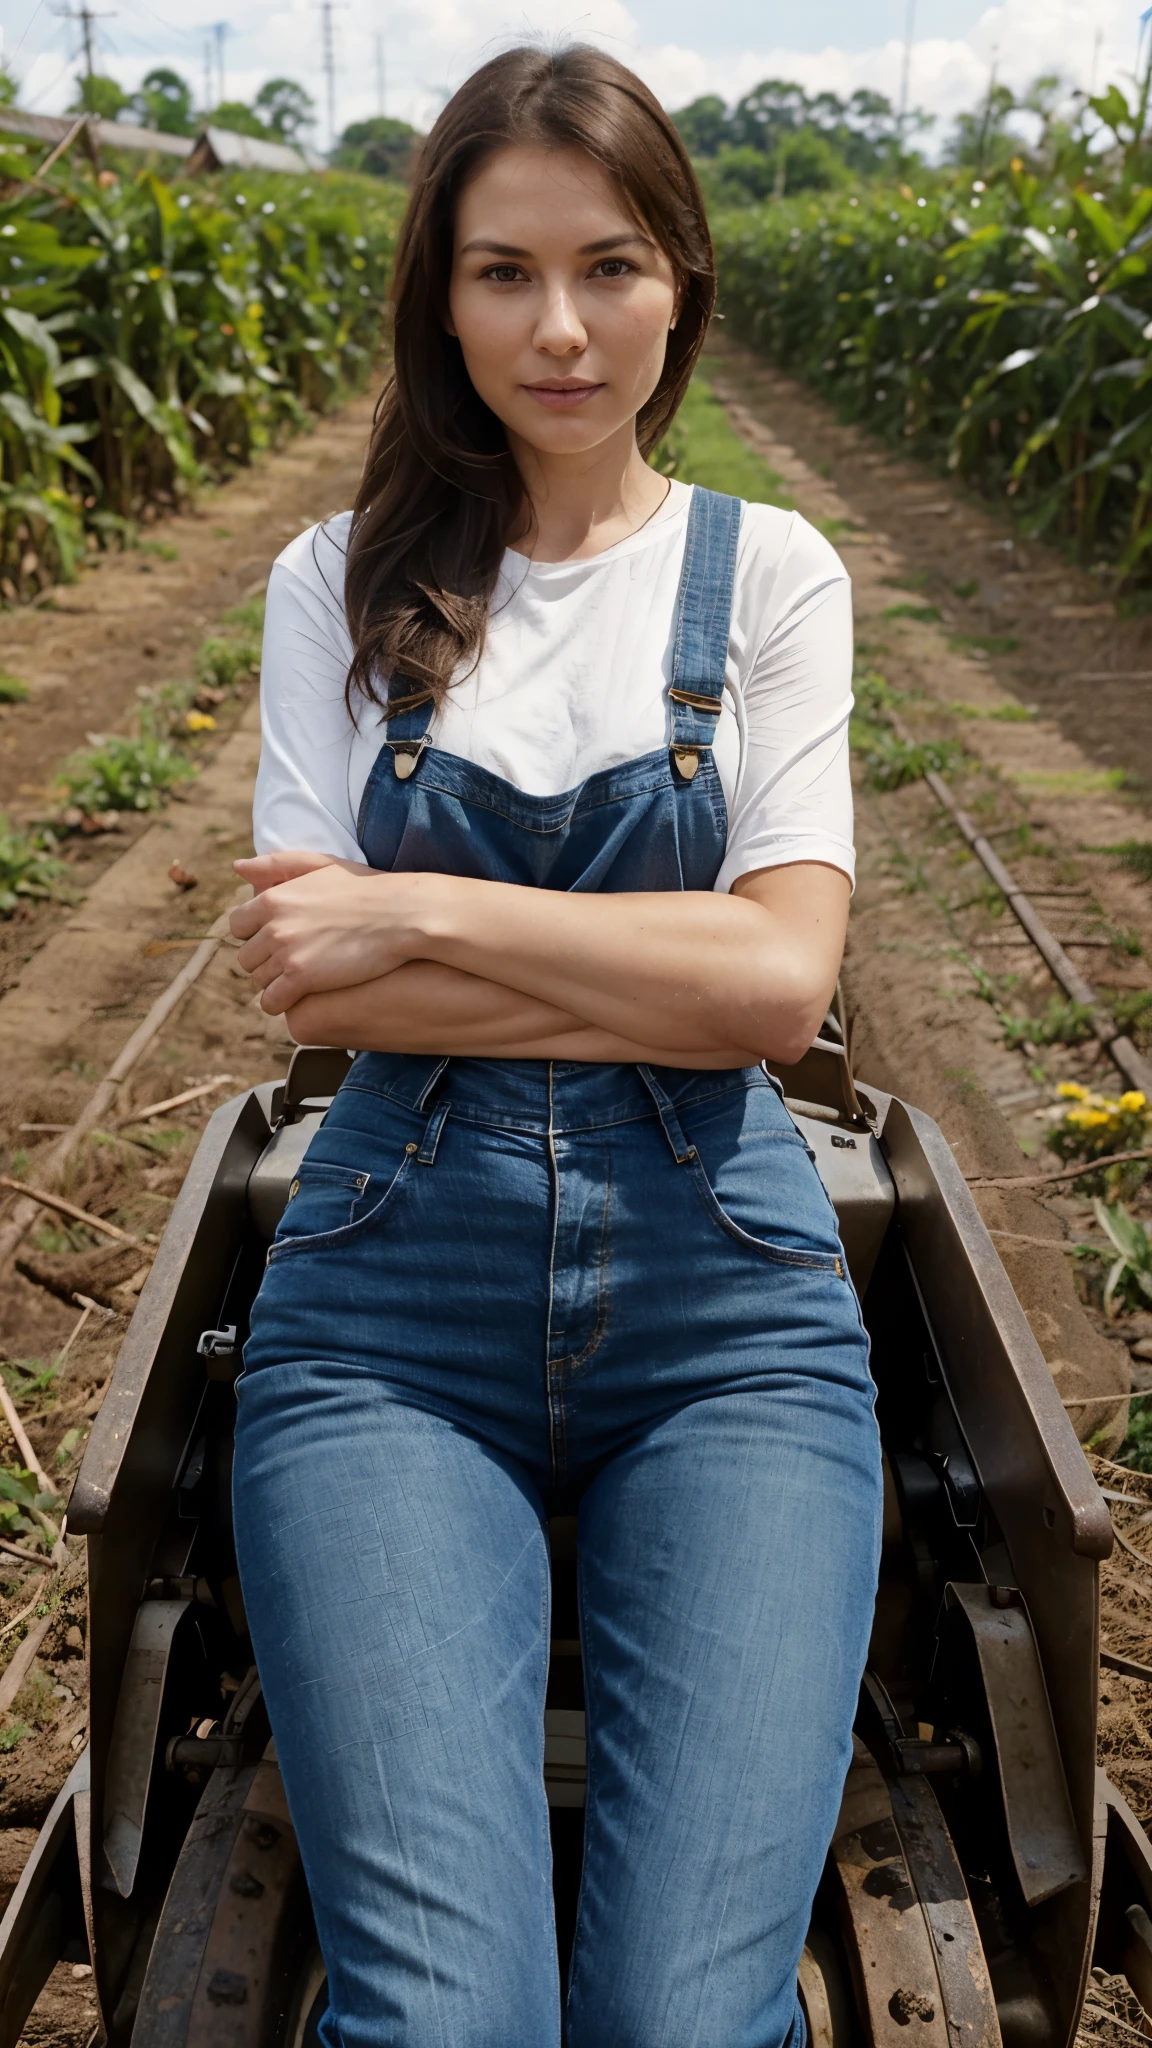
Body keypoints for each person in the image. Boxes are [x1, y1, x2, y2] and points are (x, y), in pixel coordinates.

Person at [229, 42, 881, 2048]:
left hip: (730, 1317)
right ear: (443, 295)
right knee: (444, 2022)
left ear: (679, 274)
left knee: (689, 2022)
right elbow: (311, 992)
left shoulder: (770, 573)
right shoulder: (333, 579)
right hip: (383, 1316)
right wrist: (652, 964)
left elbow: (783, 992)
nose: (562, 325)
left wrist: (421, 908)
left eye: (608, 264)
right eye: (504, 272)